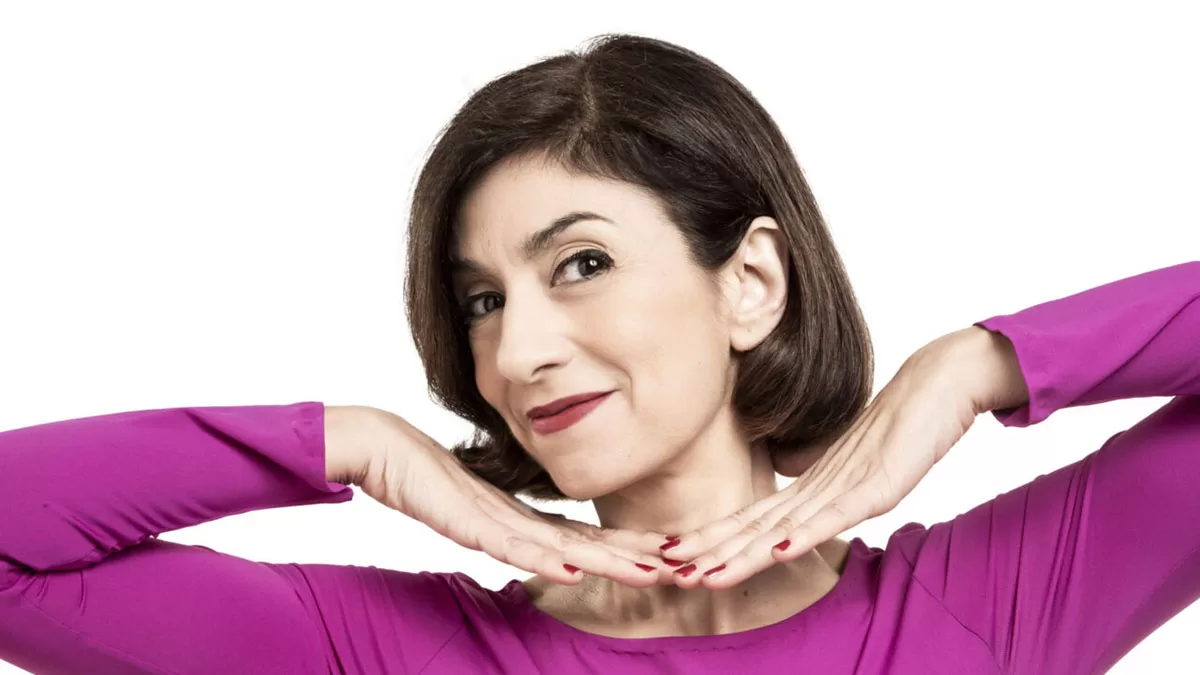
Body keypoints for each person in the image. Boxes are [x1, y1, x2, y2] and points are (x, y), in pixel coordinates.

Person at [1, 32, 1197, 674]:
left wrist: (976, 367)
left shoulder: (990, 611)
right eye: (481, 300)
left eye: (580, 263)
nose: (515, 351)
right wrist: (347, 443)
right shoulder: (389, 652)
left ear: (750, 282)